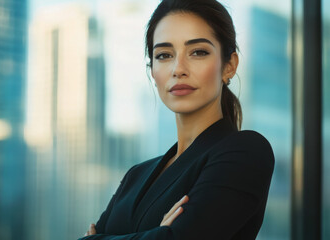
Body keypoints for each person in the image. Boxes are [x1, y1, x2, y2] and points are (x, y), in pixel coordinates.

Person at [80, 0, 275, 239]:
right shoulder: (136, 175)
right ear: (152, 71)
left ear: (229, 66)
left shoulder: (246, 152)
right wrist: (156, 234)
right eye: (164, 55)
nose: (178, 69)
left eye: (198, 52)